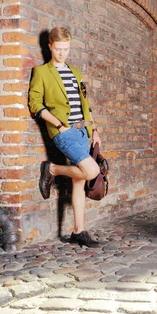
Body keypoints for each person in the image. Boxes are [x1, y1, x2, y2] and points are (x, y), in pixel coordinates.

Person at [28, 26, 102, 247]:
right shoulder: (41, 72)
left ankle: (78, 231)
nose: (62, 53)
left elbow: (84, 104)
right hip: (63, 132)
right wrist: (59, 125)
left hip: (82, 131)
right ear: (50, 46)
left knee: (79, 182)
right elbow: (34, 104)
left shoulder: (75, 72)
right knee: (92, 170)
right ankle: (51, 169)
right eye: (58, 49)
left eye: (66, 49)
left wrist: (94, 130)